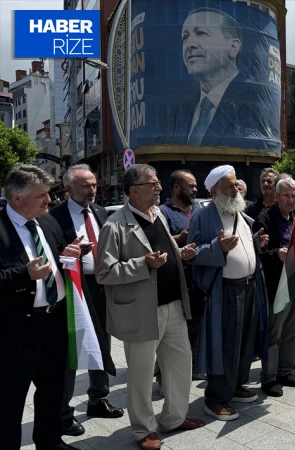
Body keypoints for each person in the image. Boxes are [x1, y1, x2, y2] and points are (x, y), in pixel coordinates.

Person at [96, 164, 204, 450]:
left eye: (158, 183)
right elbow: (104, 273)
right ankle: (144, 429)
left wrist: (181, 254)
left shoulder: (159, 217)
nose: (159, 187)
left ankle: (174, 418)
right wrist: (143, 264)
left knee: (180, 365)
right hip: (142, 311)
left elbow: (164, 255)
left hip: (173, 306)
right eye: (153, 183)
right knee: (142, 375)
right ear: (134, 190)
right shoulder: (114, 224)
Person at [1, 165, 82, 450]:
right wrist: (24, 274)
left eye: (48, 194)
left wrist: (69, 256)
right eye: (41, 195)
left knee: (52, 391)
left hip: (54, 322)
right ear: (16, 198)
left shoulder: (47, 222)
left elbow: (57, 260)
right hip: (17, 329)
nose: (49, 200)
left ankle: (50, 443)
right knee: (10, 398)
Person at [188, 165, 268, 421]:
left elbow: (244, 247)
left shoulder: (240, 213)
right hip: (225, 291)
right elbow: (192, 254)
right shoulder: (204, 216)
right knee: (224, 344)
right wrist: (217, 247)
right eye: (229, 186)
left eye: (236, 184)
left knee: (244, 342)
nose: (236, 189)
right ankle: (215, 398)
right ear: (214, 191)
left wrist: (258, 244)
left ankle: (234, 386)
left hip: (250, 287)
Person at [49, 164, 121, 437]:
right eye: (86, 186)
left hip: (101, 285)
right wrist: (73, 254)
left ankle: (98, 398)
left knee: (101, 341)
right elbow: (53, 256)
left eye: (93, 184)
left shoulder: (100, 211)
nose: (93, 190)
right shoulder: (55, 217)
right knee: (72, 348)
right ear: (69, 189)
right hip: (74, 288)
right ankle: (64, 414)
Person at [170, 8, 276, 150]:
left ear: (233, 46)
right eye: (185, 37)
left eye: (201, 33)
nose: (190, 44)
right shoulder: (183, 109)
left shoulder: (256, 99)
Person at [254, 178, 295, 396]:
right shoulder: (264, 219)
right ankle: (269, 377)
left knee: (292, 331)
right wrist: (275, 253)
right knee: (274, 334)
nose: (291, 200)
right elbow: (258, 253)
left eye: (294, 196)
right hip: (275, 284)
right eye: (286, 195)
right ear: (276, 196)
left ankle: (284, 370)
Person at [158, 170, 207, 383]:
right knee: (171, 332)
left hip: (199, 280)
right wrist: (180, 238)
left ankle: (194, 366)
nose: (195, 190)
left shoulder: (199, 210)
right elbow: (158, 244)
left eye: (196, 186)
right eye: (191, 186)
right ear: (177, 187)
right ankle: (163, 374)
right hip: (175, 283)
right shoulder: (163, 212)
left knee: (196, 325)